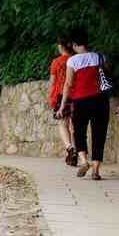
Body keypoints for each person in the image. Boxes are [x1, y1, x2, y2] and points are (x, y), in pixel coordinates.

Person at [57, 28, 119, 180]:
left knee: (79, 132)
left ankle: (83, 161)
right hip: (100, 100)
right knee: (99, 134)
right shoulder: (100, 57)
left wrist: (62, 106)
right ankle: (96, 170)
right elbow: (110, 79)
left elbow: (68, 84)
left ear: (74, 44)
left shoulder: (72, 61)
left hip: (80, 101)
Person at [48, 37, 76, 166]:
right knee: (74, 125)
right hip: (76, 94)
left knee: (63, 124)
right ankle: (74, 151)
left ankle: (69, 147)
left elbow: (53, 82)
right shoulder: (75, 60)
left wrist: (50, 97)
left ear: (61, 46)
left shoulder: (56, 62)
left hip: (60, 95)